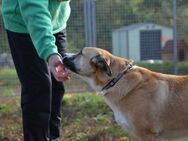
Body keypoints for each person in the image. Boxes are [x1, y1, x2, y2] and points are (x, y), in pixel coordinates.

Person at [2, 0, 71, 140]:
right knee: (38, 87)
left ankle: (52, 137)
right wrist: (50, 52)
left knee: (57, 84)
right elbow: (35, 10)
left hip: (57, 22)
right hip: (24, 23)